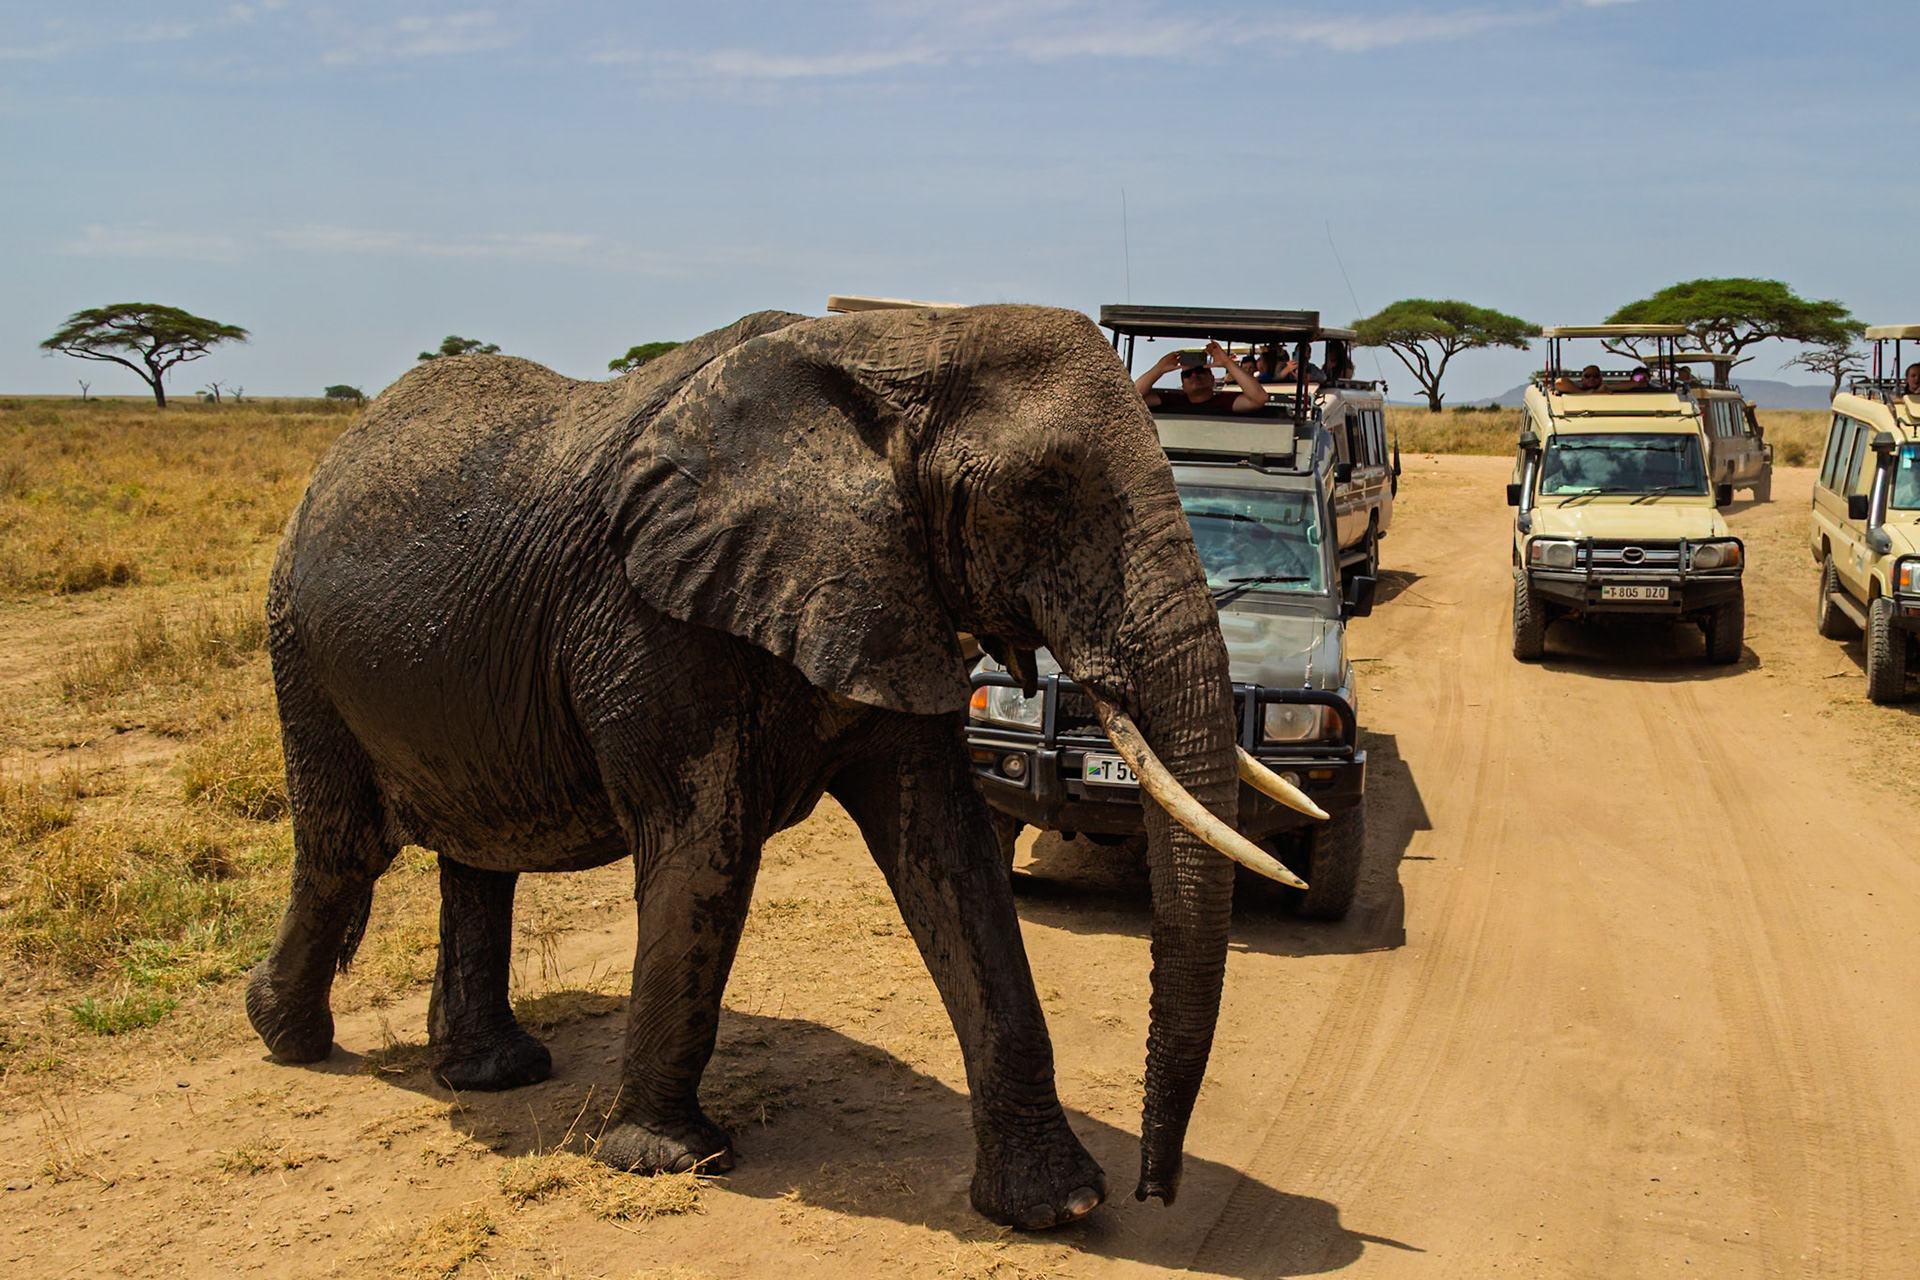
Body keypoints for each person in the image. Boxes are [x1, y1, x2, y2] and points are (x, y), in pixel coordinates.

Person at [1136, 340, 1270, 413]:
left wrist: (1226, 363)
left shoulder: (1226, 401)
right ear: (1183, 385)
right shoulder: (1171, 400)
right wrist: (1159, 369)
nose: (1194, 375)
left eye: (1200, 371)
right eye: (1187, 374)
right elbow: (1131, 398)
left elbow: (1259, 398)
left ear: (1212, 378)